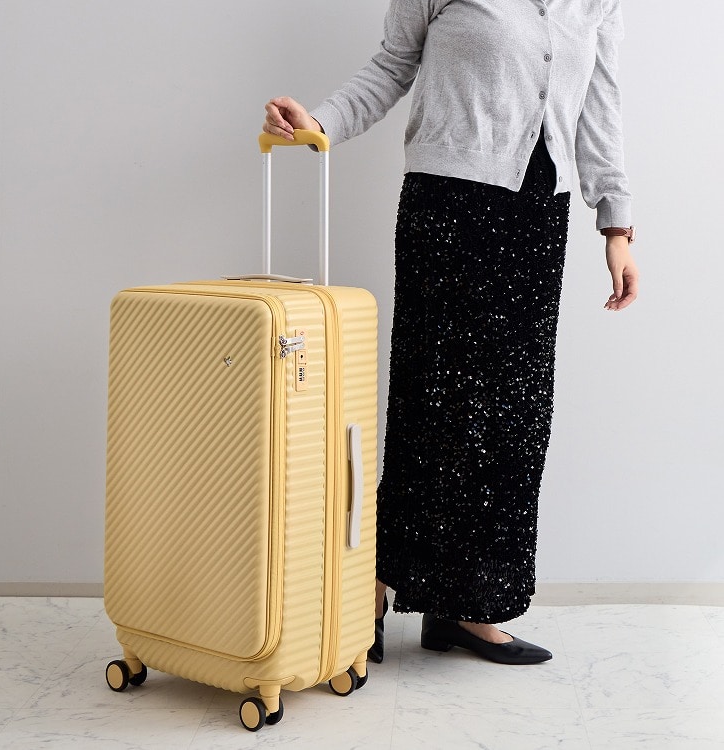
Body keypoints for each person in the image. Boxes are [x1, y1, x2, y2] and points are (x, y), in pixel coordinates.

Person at [263, 0, 638, 666]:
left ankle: (467, 608)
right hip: (448, 208)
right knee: (431, 407)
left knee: (513, 419)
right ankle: (370, 593)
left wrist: (617, 226)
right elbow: (391, 65)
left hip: (538, 218)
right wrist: (320, 122)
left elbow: (599, 109)